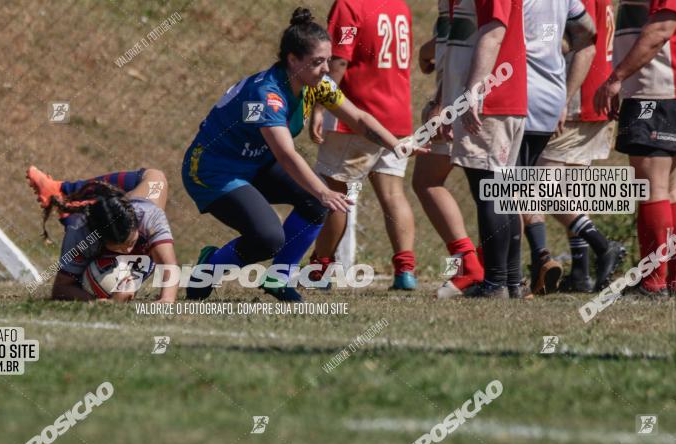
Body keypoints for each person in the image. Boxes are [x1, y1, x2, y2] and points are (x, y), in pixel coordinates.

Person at [181, 7, 413, 302]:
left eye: (328, 60)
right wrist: (322, 191)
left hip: (255, 164)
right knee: (268, 238)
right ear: (293, 60)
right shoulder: (268, 93)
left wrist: (397, 145)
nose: (327, 69)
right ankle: (209, 267)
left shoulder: (314, 85)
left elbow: (358, 118)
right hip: (213, 171)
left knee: (314, 203)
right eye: (318, 62)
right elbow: (287, 155)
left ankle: (279, 278)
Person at [308, 0, 419, 291]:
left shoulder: (350, 4)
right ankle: (405, 270)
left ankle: (320, 270)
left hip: (358, 116)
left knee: (334, 191)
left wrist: (320, 106)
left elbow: (339, 60)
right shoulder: (399, 6)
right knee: (394, 194)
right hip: (396, 115)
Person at [595, 0, 676, 298]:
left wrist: (616, 79)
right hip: (662, 90)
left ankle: (653, 281)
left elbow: (661, 30)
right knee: (667, 187)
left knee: (651, 186)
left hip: (660, 89)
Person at [445, 0, 528, 298]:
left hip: (493, 100)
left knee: (489, 190)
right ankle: (508, 281)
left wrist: (472, 92)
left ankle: (496, 282)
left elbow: (494, 31)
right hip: (506, 97)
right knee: (500, 191)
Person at [539, 0, 623, 293]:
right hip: (597, 96)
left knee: (538, 189)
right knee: (569, 190)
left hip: (576, 99)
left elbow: (578, 40)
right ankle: (580, 273)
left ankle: (603, 245)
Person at [413, 0, 486, 299]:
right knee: (499, 186)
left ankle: (472, 265)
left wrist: (442, 102)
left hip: (470, 102)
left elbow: (464, 45)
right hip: (516, 93)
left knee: (427, 180)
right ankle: (507, 270)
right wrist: (426, 50)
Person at [26, 165, 178, 303]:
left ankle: (64, 189)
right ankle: (68, 200)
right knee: (85, 224)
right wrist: (96, 301)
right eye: (119, 248)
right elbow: (60, 288)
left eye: (131, 243)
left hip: (141, 192)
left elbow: (169, 265)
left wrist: (166, 299)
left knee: (157, 178)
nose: (128, 251)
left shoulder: (150, 217)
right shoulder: (80, 234)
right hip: (90, 228)